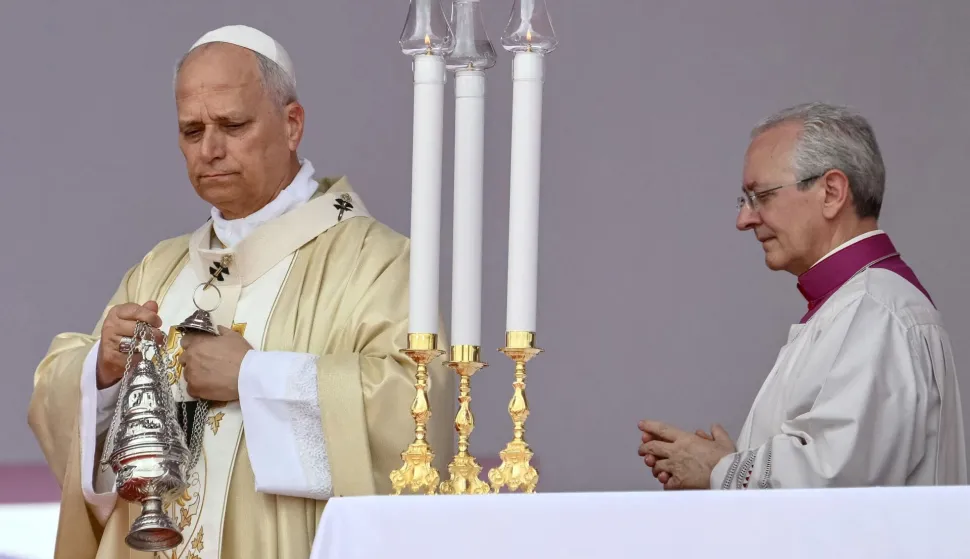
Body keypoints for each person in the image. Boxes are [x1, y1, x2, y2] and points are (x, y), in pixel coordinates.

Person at [27, 24, 455, 558]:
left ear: (292, 124)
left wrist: (254, 378)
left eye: (232, 125)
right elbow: (62, 411)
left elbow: (417, 410)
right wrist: (102, 373)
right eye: (191, 131)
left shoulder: (378, 262)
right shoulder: (159, 269)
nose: (210, 149)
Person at [638, 102, 967, 490]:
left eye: (760, 196)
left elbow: (837, 485)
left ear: (831, 192)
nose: (744, 219)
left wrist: (720, 471)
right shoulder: (856, 305)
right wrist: (731, 465)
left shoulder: (877, 312)